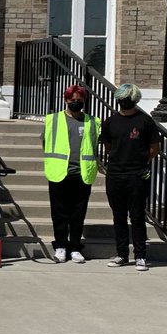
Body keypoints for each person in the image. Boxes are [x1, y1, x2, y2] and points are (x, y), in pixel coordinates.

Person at [100, 83, 159, 271]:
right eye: (121, 99)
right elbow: (108, 147)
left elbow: (154, 149)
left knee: (137, 216)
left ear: (134, 100)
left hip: (137, 174)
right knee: (119, 217)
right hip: (115, 174)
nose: (123, 102)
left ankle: (140, 255)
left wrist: (140, 162)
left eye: (127, 99)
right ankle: (122, 254)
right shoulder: (110, 122)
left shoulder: (145, 121)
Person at [43, 84, 101, 264]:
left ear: (84, 101)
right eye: (72, 100)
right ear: (66, 100)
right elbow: (45, 143)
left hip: (82, 172)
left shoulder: (93, 121)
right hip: (59, 171)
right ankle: (60, 246)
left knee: (78, 212)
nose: (76, 102)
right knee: (59, 212)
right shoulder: (53, 119)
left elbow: (94, 145)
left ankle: (75, 247)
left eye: (79, 100)